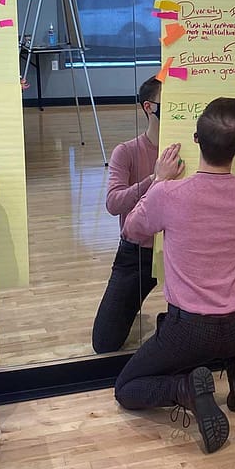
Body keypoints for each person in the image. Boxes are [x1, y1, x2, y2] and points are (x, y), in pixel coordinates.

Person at [114, 97, 235, 454]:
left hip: (190, 331)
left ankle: (184, 389)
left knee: (127, 388)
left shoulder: (168, 193)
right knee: (224, 325)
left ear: (195, 139)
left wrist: (158, 180)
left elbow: (132, 231)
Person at [91, 76, 178, 353]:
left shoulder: (196, 150)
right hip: (138, 251)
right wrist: (154, 178)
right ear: (149, 107)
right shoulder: (126, 152)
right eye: (171, 102)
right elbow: (113, 203)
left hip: (180, 251)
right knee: (105, 342)